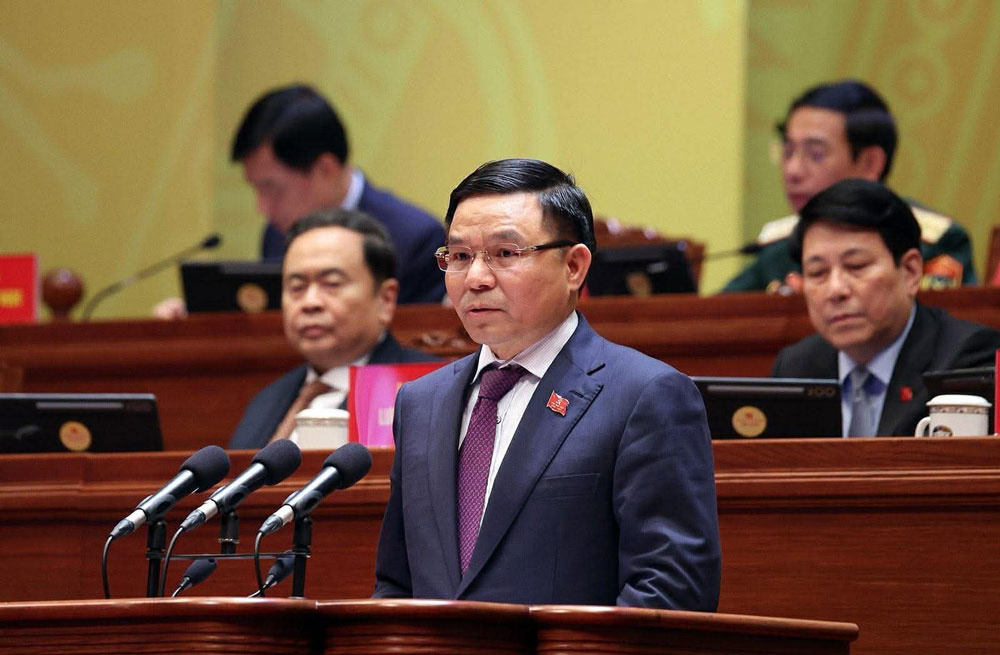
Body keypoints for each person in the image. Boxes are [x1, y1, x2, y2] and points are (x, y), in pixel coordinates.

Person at [373, 158, 721, 609]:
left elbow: (671, 595)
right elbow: (397, 585)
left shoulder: (645, 396)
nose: (476, 278)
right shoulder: (420, 402)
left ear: (574, 267)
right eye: (459, 257)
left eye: (505, 254)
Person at [156, 84, 445, 318]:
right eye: (255, 189)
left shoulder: (414, 238)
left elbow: (421, 350)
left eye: (272, 188)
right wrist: (197, 323)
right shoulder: (276, 234)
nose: (263, 208)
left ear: (325, 169)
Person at [772, 179, 1000, 437]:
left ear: (911, 272)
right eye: (817, 272)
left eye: (856, 266)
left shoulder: (965, 360)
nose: (836, 290)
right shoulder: (796, 367)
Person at [724, 80, 977, 293]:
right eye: (788, 151)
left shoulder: (932, 240)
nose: (792, 170)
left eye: (815, 154)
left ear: (870, 164)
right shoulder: (779, 245)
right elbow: (714, 318)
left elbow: (943, 330)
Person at [229, 208, 439, 449]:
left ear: (385, 299)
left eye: (331, 284)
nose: (310, 302)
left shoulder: (425, 389)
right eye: (297, 287)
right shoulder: (268, 398)